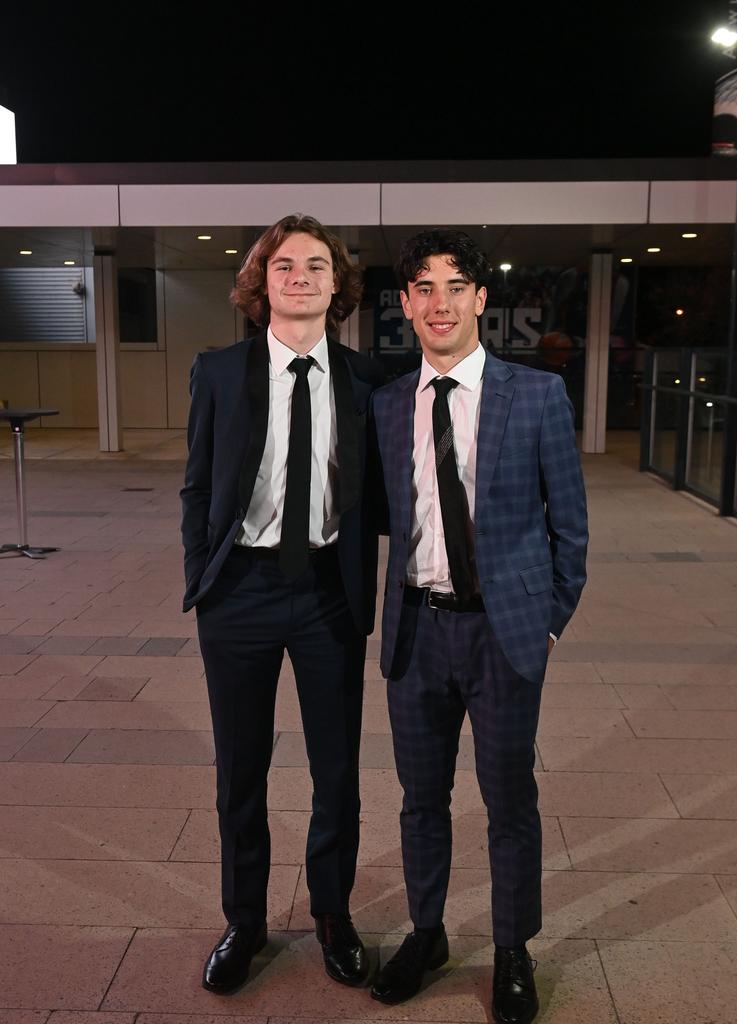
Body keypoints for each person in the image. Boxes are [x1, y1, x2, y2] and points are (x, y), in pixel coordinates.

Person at [370, 229, 588, 1024]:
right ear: (406, 304)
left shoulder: (535, 397)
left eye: (455, 286)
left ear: (481, 299)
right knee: (420, 799)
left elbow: (573, 530)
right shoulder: (389, 404)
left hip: (504, 637)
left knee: (510, 801)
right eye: (424, 288)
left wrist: (549, 625)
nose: (440, 302)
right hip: (417, 634)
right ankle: (427, 934)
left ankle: (511, 950)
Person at [180, 214, 383, 995]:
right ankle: (246, 920)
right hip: (240, 596)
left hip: (329, 592)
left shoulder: (368, 382)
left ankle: (332, 913)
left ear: (338, 286)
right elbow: (197, 486)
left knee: (337, 770)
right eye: (284, 264)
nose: (300, 275)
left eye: (317, 265)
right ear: (261, 284)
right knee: (241, 770)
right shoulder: (221, 372)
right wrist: (203, 577)